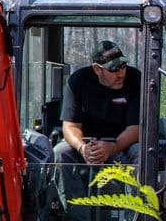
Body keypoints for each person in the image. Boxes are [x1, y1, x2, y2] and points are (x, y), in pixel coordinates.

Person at [54, 40, 141, 168]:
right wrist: (83, 148)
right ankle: (70, 189)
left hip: (123, 145)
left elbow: (136, 129)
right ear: (97, 69)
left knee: (140, 152)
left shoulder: (136, 79)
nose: (121, 74)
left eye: (123, 66)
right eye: (114, 69)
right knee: (61, 152)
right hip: (87, 144)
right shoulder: (78, 81)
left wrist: (112, 148)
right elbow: (70, 126)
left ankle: (136, 188)